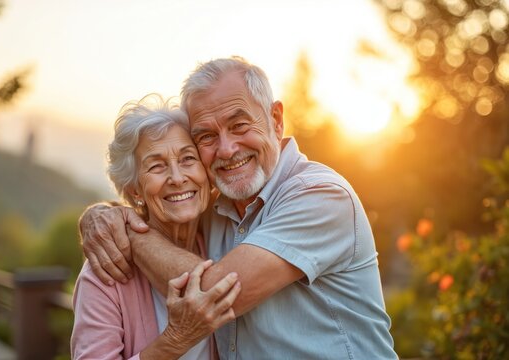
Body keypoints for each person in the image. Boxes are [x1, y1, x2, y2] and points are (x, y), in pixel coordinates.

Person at [79, 57, 398, 359]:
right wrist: (104, 213)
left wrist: (132, 232)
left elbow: (212, 296)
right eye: (206, 136)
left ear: (275, 119)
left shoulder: (321, 196)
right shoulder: (216, 212)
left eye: (240, 125)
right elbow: (166, 202)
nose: (227, 149)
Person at [71, 95, 242, 360]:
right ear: (134, 191)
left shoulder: (223, 234)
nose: (177, 178)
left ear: (206, 173)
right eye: (156, 166)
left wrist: (97, 212)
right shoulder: (105, 271)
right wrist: (175, 341)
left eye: (188, 159)